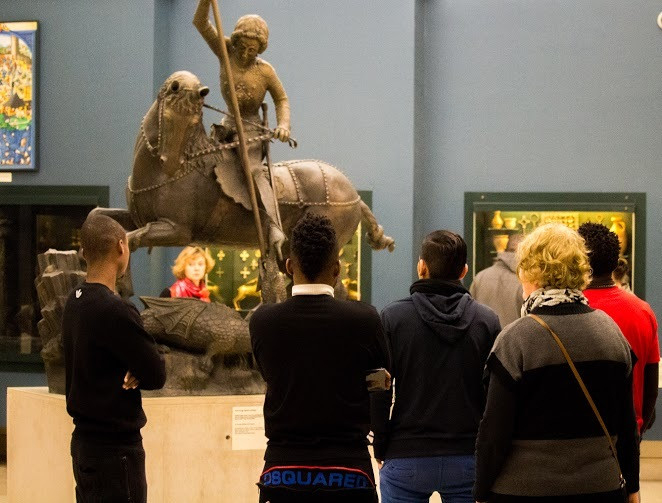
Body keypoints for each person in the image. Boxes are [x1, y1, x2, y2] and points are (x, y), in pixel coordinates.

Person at [474, 223, 640, 503]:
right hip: (599, 487)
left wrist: (481, 491)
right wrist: (632, 486)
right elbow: (626, 426)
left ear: (532, 274)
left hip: (524, 489)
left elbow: (494, 432)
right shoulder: (611, 332)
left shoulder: (516, 339)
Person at [249, 213, 389, 503]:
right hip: (349, 471)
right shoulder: (365, 320)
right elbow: (382, 378)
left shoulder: (263, 321)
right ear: (337, 269)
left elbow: (268, 373)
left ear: (289, 266)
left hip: (282, 470)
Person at [371, 230, 500, 503]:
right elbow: (494, 395)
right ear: (464, 271)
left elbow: (380, 388)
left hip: (406, 453)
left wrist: (381, 444)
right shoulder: (486, 321)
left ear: (422, 267)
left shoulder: (393, 318)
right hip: (468, 455)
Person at [63, 213, 166, 503]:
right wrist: (140, 367)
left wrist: (137, 365)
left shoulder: (74, 300)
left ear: (84, 252)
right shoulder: (116, 309)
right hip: (115, 452)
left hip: (84, 446)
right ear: (122, 247)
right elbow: (156, 374)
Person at [194, 0, 290, 253]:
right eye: (243, 47)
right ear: (235, 42)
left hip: (251, 129)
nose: (247, 54)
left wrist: (283, 125)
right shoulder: (224, 51)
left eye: (253, 50)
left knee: (253, 171)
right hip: (226, 126)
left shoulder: (265, 71)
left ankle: (274, 225)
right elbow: (201, 23)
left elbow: (281, 99)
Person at [578, 222, 659, 435]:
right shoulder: (643, 310)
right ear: (615, 261)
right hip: (628, 430)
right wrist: (638, 429)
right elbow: (651, 386)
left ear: (578, 260)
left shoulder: (569, 308)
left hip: (580, 434)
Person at [470, 234, 524, 327]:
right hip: (513, 336)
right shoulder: (526, 282)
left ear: (505, 249)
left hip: (483, 335)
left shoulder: (480, 277)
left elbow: (469, 314)